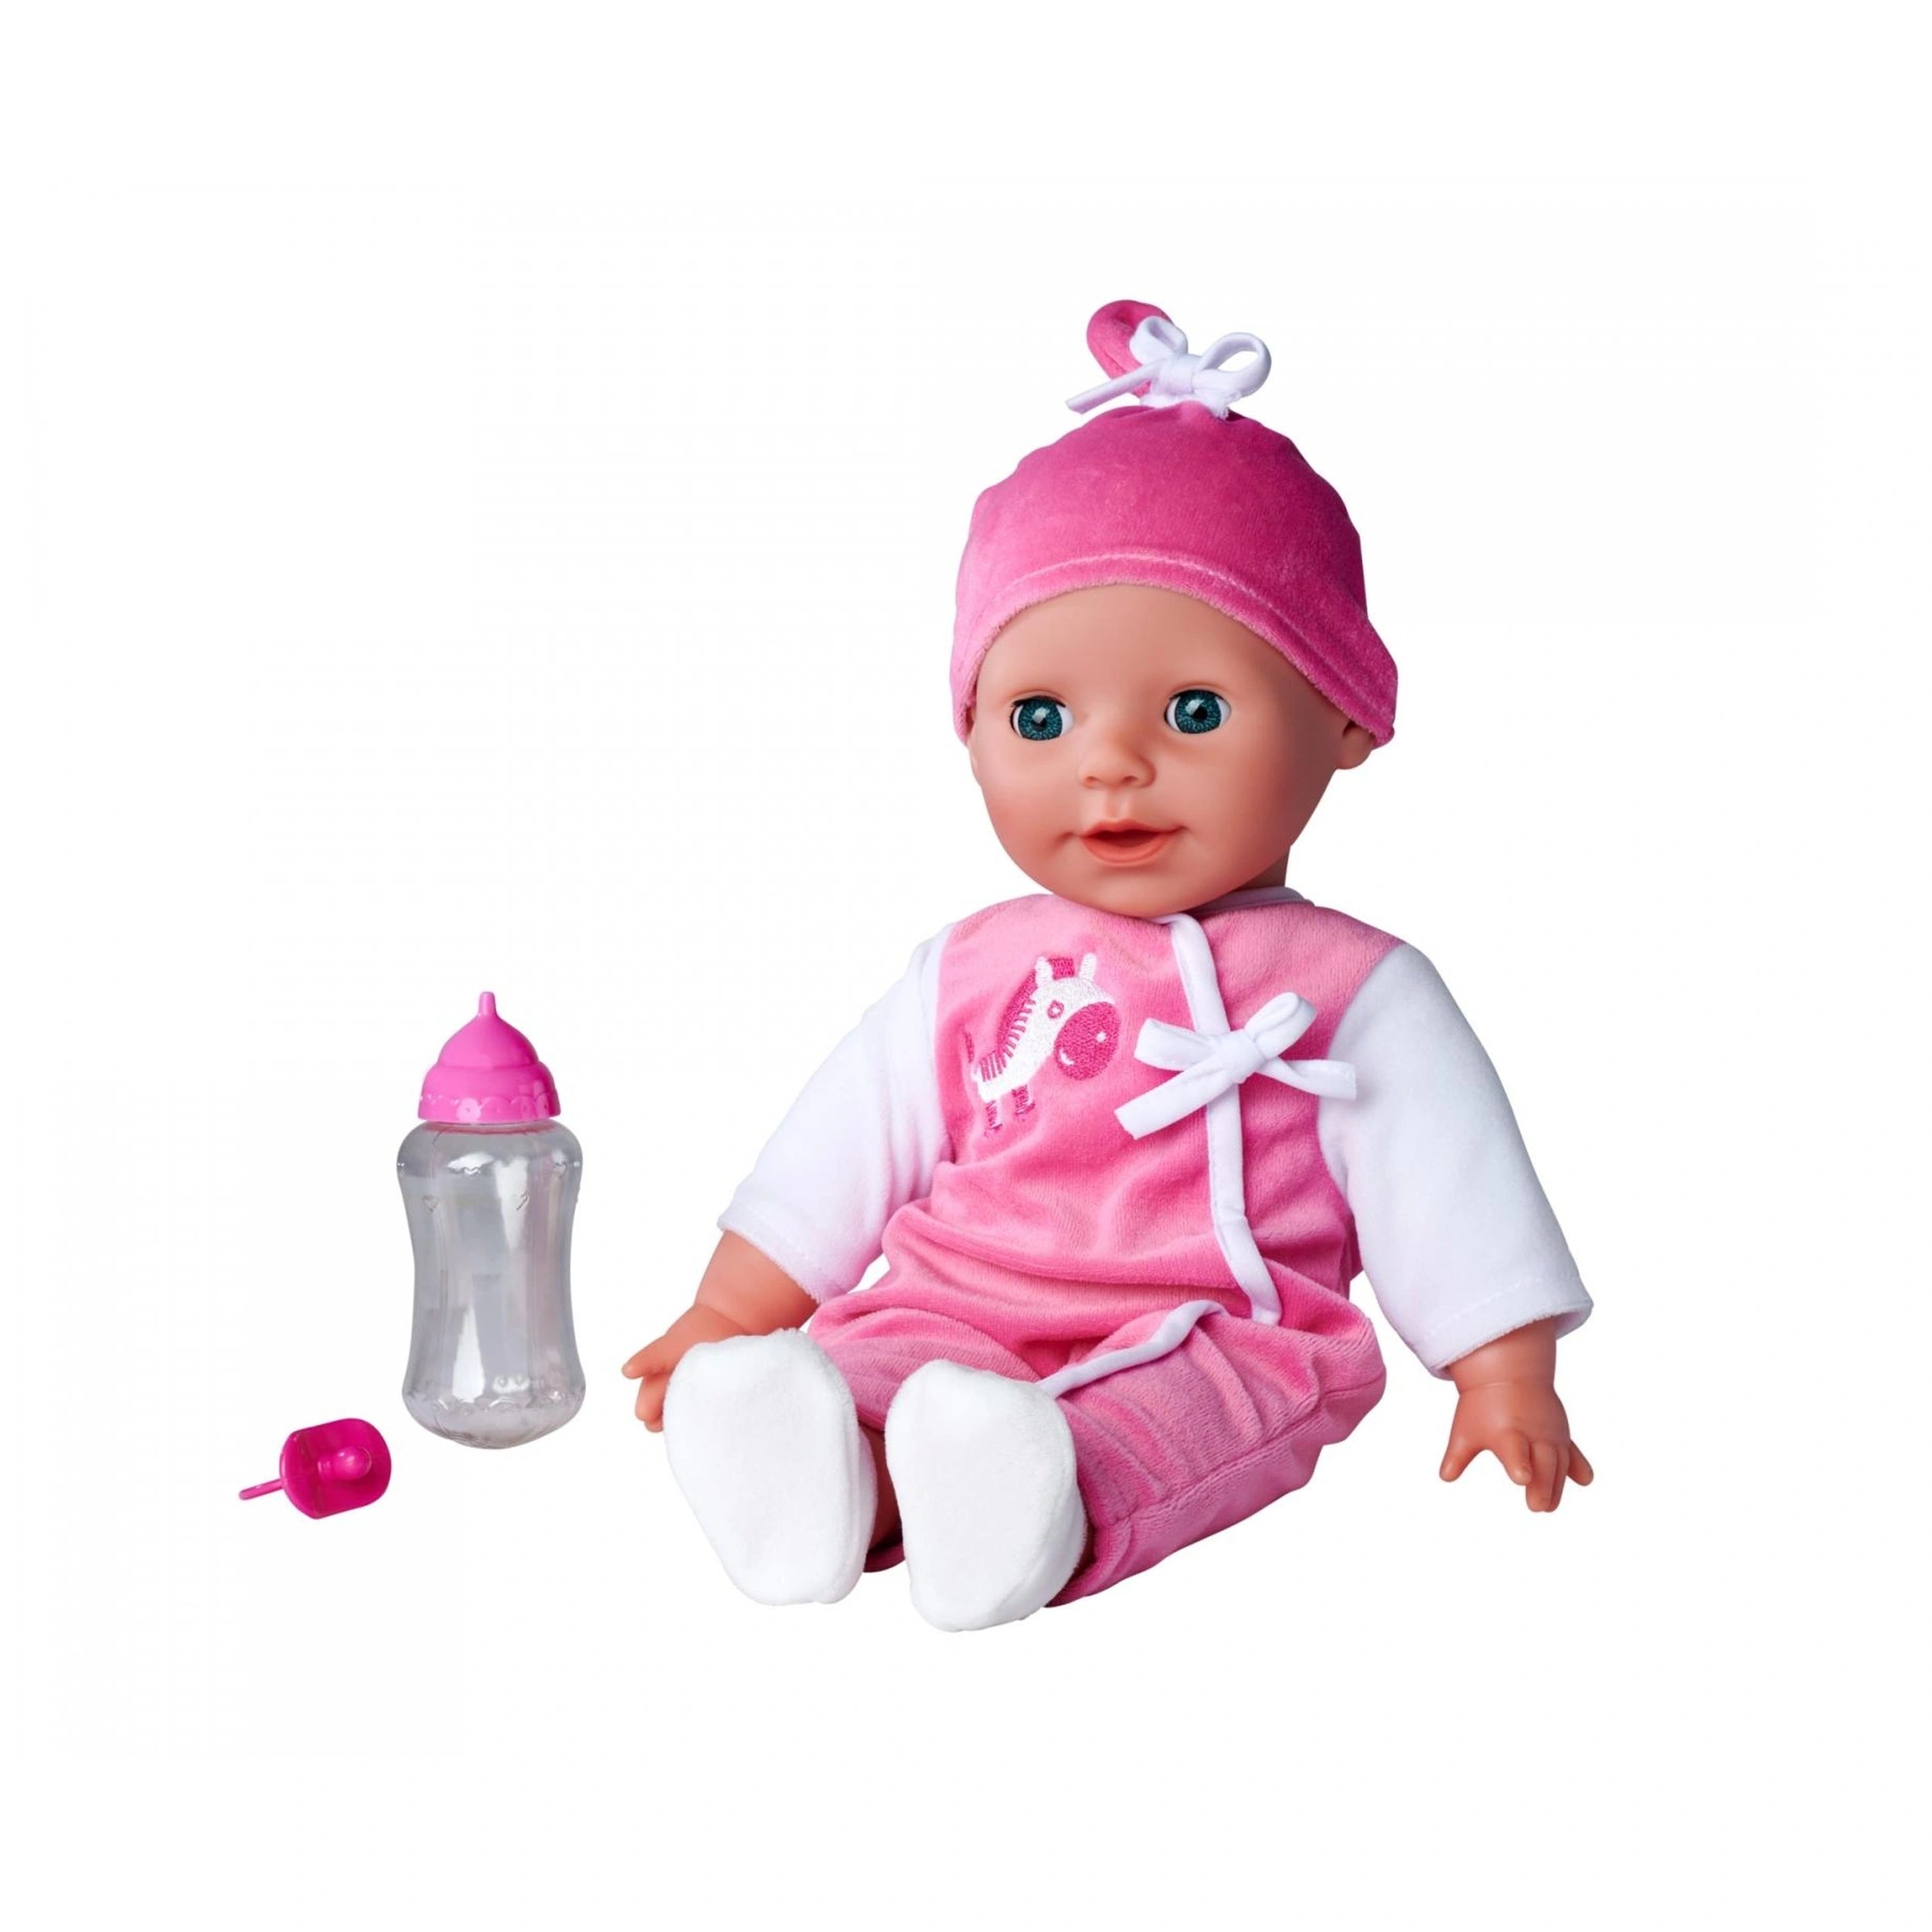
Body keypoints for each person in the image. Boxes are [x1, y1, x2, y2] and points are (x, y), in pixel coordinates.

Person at [624, 300, 1594, 1632]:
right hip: (959, 1293)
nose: (1112, 764)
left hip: (1223, 1322)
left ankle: (1030, 1507)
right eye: (1041, 717)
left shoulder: (1353, 986)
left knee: (1193, 1415)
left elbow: (1453, 1183)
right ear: (972, 735)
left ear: (1344, 715)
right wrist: (731, 1310)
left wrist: (1503, 1367)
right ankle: (826, 1479)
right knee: (878, 1360)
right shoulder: (974, 965)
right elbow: (843, 1144)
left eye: (1194, 711)